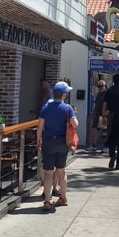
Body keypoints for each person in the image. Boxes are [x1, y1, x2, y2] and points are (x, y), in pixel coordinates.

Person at [37, 81, 78, 211]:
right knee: (61, 171)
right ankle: (63, 197)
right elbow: (75, 124)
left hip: (48, 141)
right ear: (64, 95)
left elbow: (40, 126)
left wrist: (38, 139)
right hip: (62, 142)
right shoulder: (67, 108)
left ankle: (47, 201)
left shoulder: (46, 107)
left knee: (48, 172)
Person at [89, 80, 107, 152]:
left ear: (105, 86)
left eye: (101, 86)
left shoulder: (106, 94)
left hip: (104, 115)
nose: (100, 87)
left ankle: (105, 147)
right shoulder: (98, 94)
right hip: (97, 114)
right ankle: (93, 145)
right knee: (94, 130)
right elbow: (96, 104)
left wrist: (105, 114)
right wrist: (94, 112)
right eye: (99, 86)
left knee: (104, 132)